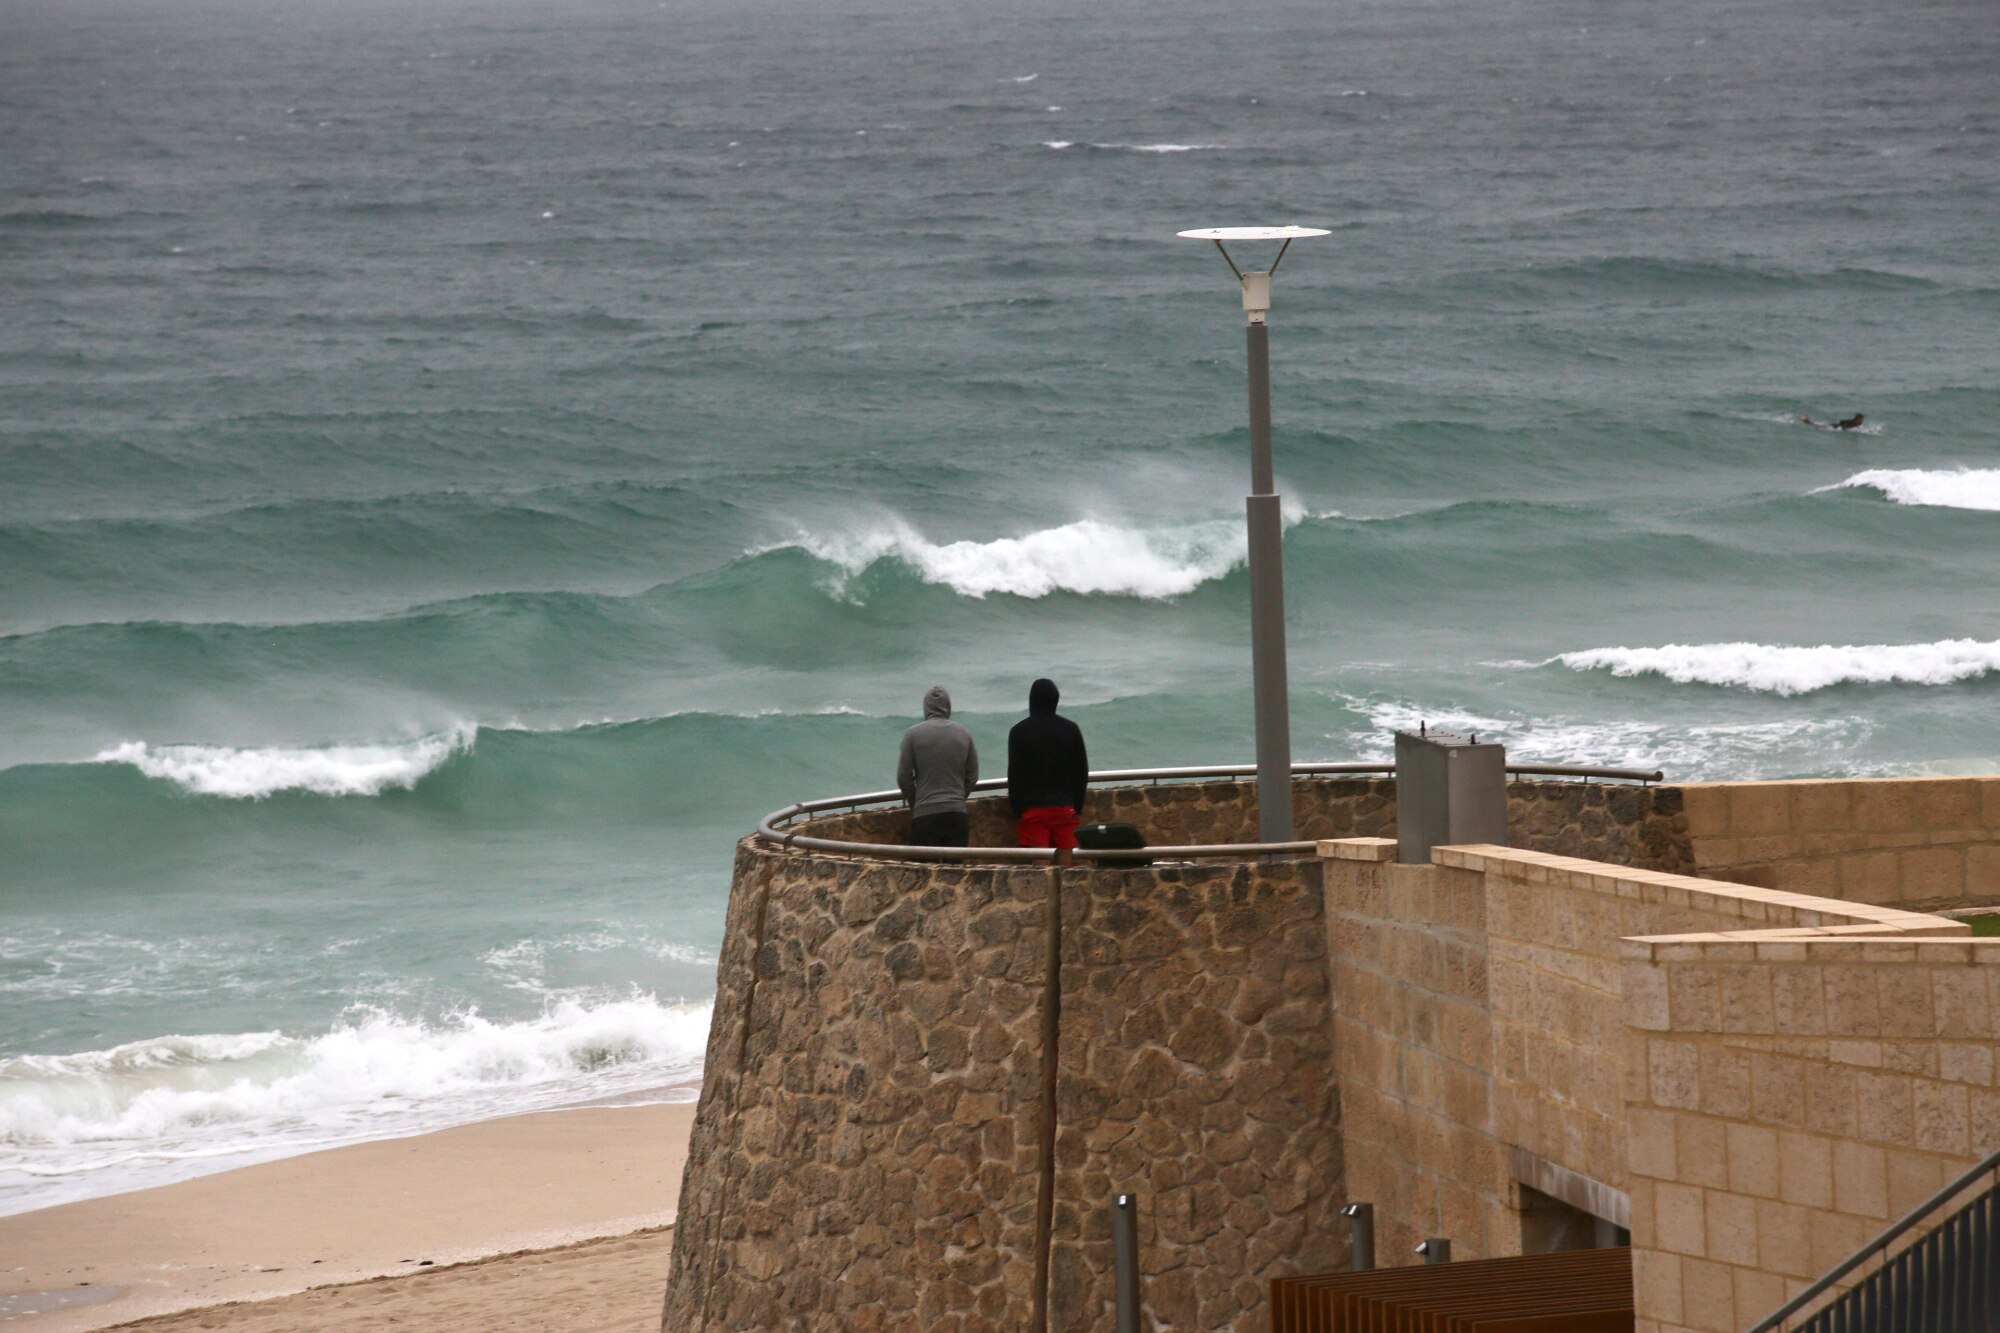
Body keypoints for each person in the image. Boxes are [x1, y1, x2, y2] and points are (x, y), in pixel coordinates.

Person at [1007, 678, 1089, 868]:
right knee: (1066, 858)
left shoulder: (1018, 732)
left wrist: (1017, 809)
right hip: (1064, 806)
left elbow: (1015, 775)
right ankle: (1066, 892)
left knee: (1040, 860)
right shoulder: (1071, 729)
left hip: (1032, 808)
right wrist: (1077, 805)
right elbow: (1081, 772)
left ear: (1032, 700)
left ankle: (1044, 895)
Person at [896, 685, 978, 847]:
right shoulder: (964, 733)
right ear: (948, 707)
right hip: (957, 814)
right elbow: (972, 776)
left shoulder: (912, 734)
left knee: (924, 871)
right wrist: (958, 798)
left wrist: (916, 802)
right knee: (954, 870)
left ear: (926, 707)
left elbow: (904, 777)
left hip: (925, 816)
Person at [1797, 412, 1866, 430]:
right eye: (1860, 420)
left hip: (1835, 426)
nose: (1861, 422)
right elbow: (1841, 421)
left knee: (1815, 424)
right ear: (1856, 419)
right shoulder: (1851, 422)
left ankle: (1805, 419)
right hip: (1834, 426)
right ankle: (1804, 420)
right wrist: (1844, 427)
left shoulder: (1856, 424)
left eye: (1862, 420)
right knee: (1815, 425)